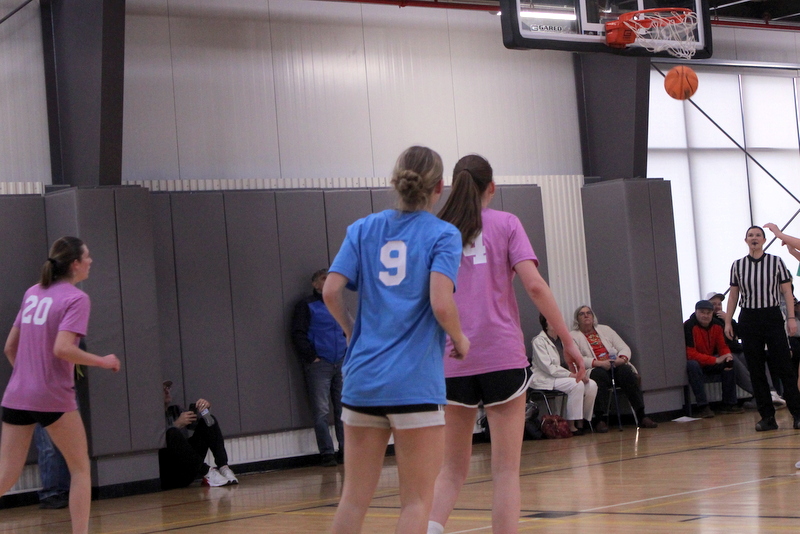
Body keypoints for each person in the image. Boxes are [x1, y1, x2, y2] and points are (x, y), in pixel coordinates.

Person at [427, 154, 585, 534]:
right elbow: (535, 286)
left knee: (451, 470)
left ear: (452, 186)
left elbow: (429, 299)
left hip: (453, 360)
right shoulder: (507, 223)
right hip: (501, 356)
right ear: (492, 188)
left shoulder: (436, 231)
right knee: (505, 472)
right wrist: (567, 341)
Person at [323, 146, 469, 534]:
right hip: (413, 383)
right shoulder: (443, 234)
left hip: (363, 381)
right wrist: (459, 338)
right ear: (439, 187)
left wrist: (350, 330)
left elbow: (330, 290)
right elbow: (442, 302)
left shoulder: (362, 229)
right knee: (416, 502)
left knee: (353, 499)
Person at [0, 236, 121, 534]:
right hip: (52, 396)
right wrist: (103, 361)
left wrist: (29, 377)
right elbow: (62, 348)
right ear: (75, 264)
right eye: (87, 256)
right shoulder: (76, 299)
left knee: (6, 475)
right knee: (80, 469)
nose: (91, 261)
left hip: (17, 394)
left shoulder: (32, 292)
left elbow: (9, 348)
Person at [726, 224, 800, 431]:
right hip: (749, 318)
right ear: (746, 240)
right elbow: (733, 295)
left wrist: (791, 318)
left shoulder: (776, 262)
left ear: (764, 240)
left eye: (758, 235)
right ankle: (767, 417)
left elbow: (787, 292)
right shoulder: (738, 265)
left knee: (784, 366)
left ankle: (797, 413)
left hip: (772, 316)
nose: (754, 238)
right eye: (751, 235)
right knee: (756, 369)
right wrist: (728, 321)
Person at [570, 305, 658, 432]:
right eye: (582, 314)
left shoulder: (605, 330)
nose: (586, 315)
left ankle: (641, 415)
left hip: (614, 364)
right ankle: (600, 419)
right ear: (577, 319)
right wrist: (599, 363)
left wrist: (621, 359)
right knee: (599, 376)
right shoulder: (573, 336)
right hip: (595, 368)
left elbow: (624, 348)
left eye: (589, 313)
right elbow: (576, 358)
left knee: (626, 372)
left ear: (593, 316)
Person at [291, 268, 346, 467]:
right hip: (320, 364)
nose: (328, 281)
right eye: (324, 278)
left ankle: (346, 450)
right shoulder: (306, 305)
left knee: (343, 409)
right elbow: (298, 333)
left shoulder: (337, 302)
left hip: (341, 361)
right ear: (315, 284)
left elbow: (347, 327)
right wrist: (311, 357)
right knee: (321, 410)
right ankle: (327, 452)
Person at [706, 291, 784, 408]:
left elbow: (740, 333)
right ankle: (761, 395)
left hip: (735, 350)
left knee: (757, 356)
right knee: (734, 362)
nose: (717, 307)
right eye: (713, 304)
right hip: (721, 354)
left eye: (719, 304)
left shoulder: (726, 319)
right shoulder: (709, 322)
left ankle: (771, 391)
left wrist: (729, 320)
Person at [160, 380, 238, 488]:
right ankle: (207, 472)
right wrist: (176, 424)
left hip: (188, 465)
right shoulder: (153, 418)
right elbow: (158, 440)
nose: (167, 391)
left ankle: (223, 467)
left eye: (168, 388)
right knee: (172, 433)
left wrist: (205, 411)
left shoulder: (175, 410)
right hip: (169, 471)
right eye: (163, 388)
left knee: (208, 421)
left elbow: (205, 426)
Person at [531, 314, 597, 434]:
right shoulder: (538, 341)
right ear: (545, 325)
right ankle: (571, 425)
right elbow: (549, 368)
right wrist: (573, 376)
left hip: (566, 376)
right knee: (576, 384)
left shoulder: (565, 340)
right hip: (546, 378)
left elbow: (574, 361)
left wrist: (580, 373)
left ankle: (583, 421)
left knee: (591, 385)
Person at [684, 300, 745, 418]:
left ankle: (729, 404)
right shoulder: (689, 326)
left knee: (729, 363)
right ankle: (703, 406)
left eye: (708, 313)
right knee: (692, 365)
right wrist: (715, 360)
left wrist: (727, 356)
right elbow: (690, 353)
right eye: (702, 312)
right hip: (698, 362)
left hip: (710, 360)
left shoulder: (717, 325)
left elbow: (722, 346)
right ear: (696, 312)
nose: (705, 316)